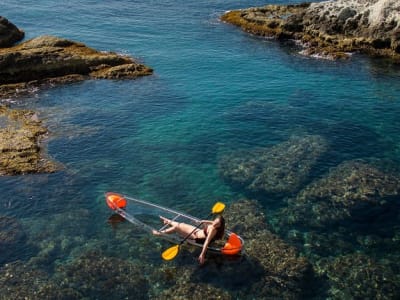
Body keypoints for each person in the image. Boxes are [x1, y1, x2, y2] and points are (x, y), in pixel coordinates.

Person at [152, 214, 225, 265]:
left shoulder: (213, 230)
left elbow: (207, 241)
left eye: (217, 224)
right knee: (181, 224)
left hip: (195, 238)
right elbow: (211, 222)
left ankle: (160, 233)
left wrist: (202, 254)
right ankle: (168, 221)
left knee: (177, 228)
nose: (215, 224)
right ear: (215, 220)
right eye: (215, 221)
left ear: (220, 226)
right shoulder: (215, 224)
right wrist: (204, 221)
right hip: (197, 231)